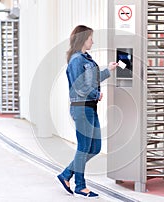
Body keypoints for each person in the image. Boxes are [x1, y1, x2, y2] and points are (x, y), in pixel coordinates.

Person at [57, 25, 118, 198]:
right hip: (81, 108)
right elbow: (79, 85)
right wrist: (95, 94)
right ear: (83, 39)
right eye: (91, 38)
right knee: (84, 147)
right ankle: (80, 186)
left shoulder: (86, 58)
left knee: (95, 147)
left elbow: (92, 79)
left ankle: (67, 174)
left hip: (90, 107)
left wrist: (109, 70)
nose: (93, 41)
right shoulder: (77, 60)